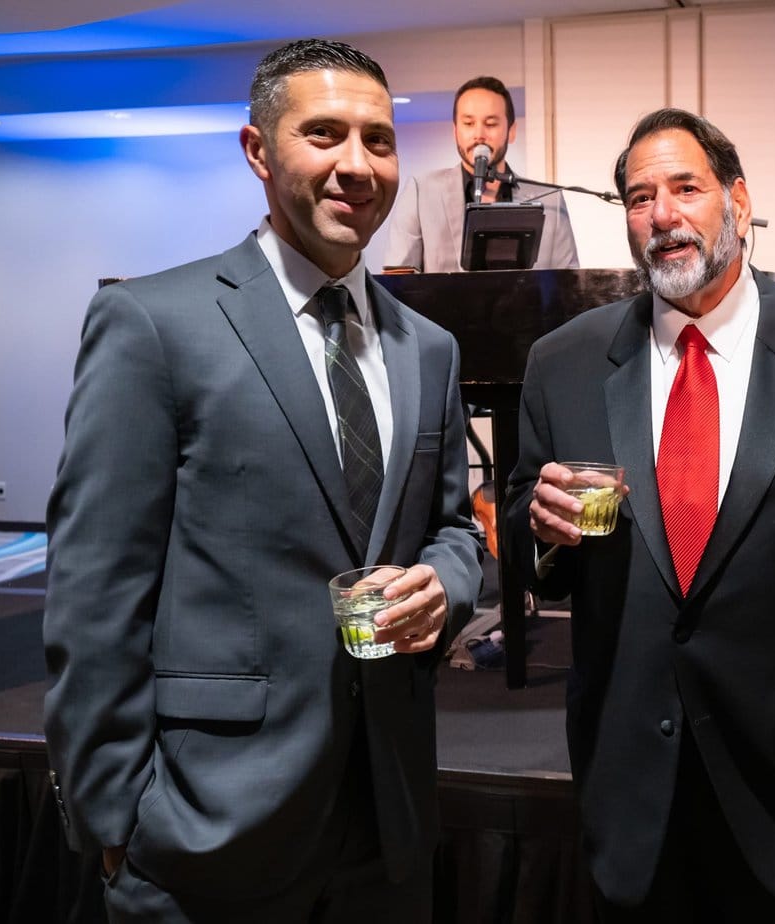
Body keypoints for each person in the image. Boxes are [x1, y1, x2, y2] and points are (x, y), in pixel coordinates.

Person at [43, 38, 483, 922]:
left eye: (378, 140)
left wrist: (447, 583)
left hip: (386, 823)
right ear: (257, 151)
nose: (356, 164)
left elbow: (454, 529)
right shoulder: (153, 324)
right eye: (323, 134)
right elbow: (96, 587)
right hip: (207, 831)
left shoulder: (429, 348)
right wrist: (113, 815)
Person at [505, 108, 775, 922]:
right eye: (640, 198)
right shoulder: (563, 363)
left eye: (686, 188)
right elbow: (531, 548)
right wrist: (539, 531)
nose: (662, 215)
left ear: (738, 201)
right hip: (632, 800)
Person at [383, 75, 579, 272]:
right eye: (468, 123)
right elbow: (399, 278)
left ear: (511, 131)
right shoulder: (421, 193)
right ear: (455, 131)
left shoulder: (551, 200)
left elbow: (569, 282)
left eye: (491, 124)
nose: (479, 135)